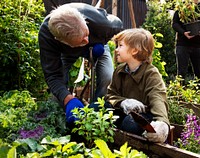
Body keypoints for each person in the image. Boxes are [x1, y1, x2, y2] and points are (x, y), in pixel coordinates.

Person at [38, 3, 123, 124]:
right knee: (57, 94)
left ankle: (98, 112)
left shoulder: (104, 24)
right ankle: (60, 122)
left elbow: (119, 25)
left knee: (107, 77)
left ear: (84, 21)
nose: (86, 40)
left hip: (97, 45)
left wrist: (100, 41)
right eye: (81, 40)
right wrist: (68, 99)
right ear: (60, 40)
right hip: (66, 52)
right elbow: (53, 76)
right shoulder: (47, 36)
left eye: (86, 34)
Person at [104, 28, 170, 143]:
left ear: (134, 50)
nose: (116, 50)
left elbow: (158, 97)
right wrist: (123, 102)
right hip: (122, 110)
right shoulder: (120, 70)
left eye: (120, 46)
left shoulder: (151, 73)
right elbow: (110, 94)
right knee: (96, 108)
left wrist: (162, 123)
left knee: (129, 124)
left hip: (144, 115)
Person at [172, 0, 200, 82]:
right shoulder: (181, 6)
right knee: (181, 72)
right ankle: (179, 93)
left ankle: (197, 93)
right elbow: (175, 24)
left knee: (199, 72)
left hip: (198, 45)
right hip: (182, 44)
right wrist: (183, 32)